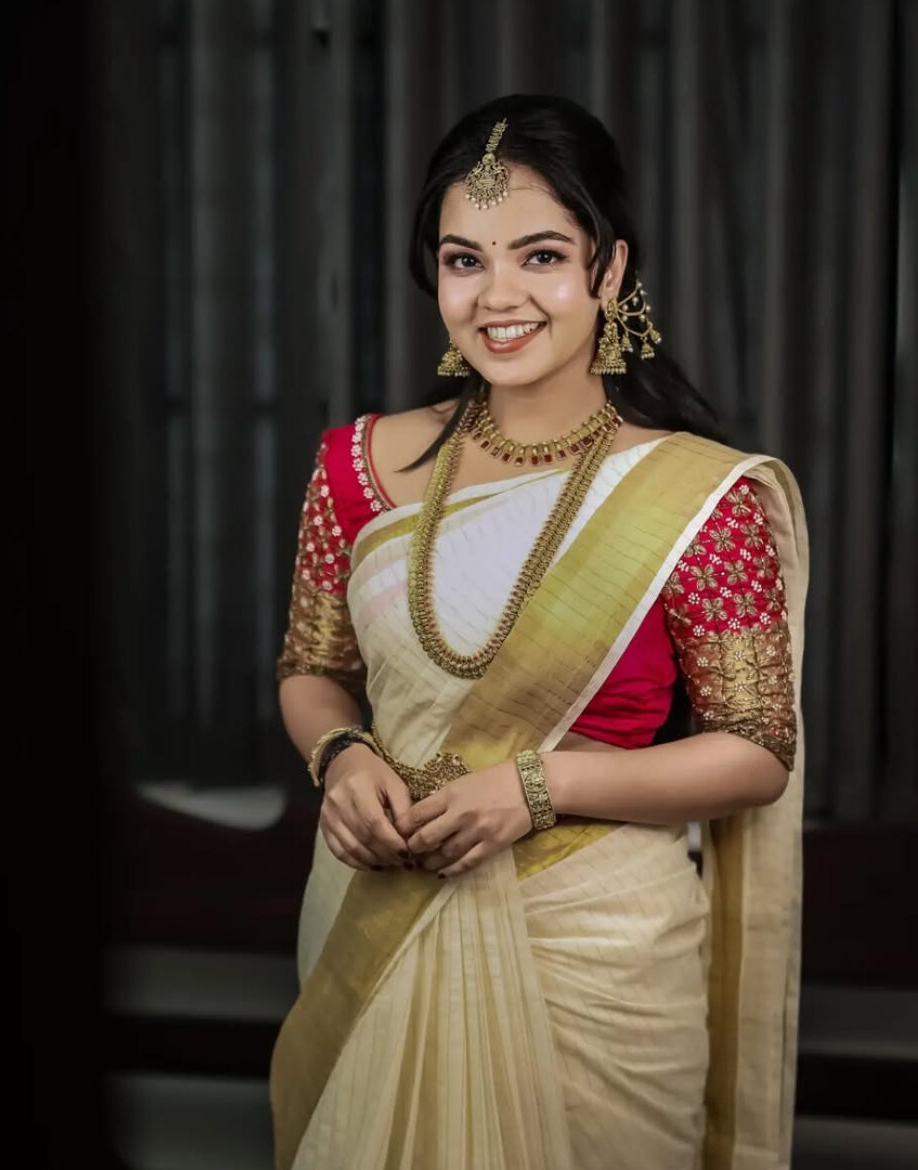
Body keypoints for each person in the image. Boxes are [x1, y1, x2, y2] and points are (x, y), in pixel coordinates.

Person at [270, 94, 806, 1170]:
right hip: (376, 912)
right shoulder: (355, 467)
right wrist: (338, 755)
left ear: (610, 272)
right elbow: (310, 671)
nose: (499, 297)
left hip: (597, 957)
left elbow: (756, 749)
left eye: (542, 255)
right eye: (465, 261)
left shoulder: (696, 497)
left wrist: (538, 786)